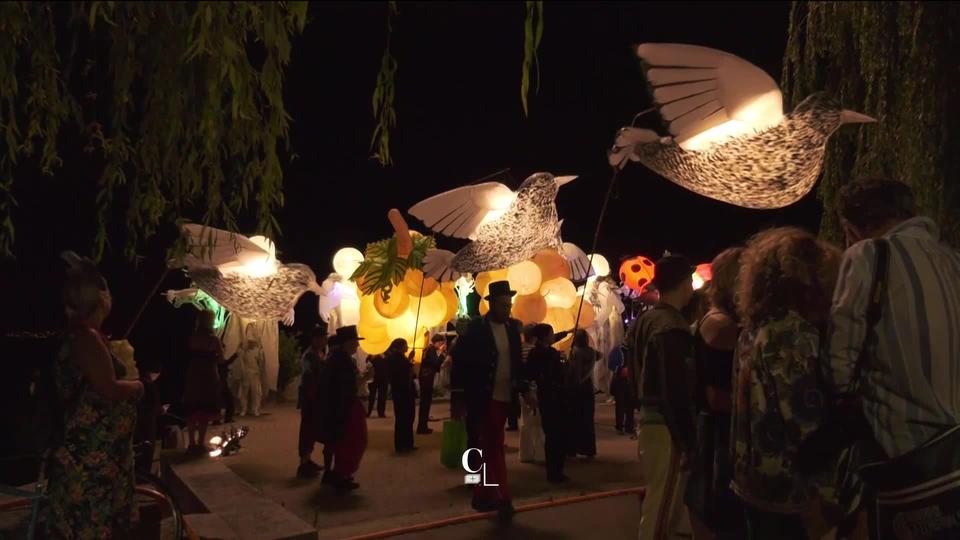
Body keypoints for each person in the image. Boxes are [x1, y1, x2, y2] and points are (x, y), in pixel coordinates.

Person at [829, 178, 960, 458]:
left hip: (904, 447)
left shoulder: (867, 254)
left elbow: (840, 363)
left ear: (851, 227)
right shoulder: (952, 259)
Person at [730, 228, 839, 539]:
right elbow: (805, 422)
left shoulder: (753, 329)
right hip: (790, 491)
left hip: (754, 480)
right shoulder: (792, 333)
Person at [44, 252, 145, 538]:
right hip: (89, 460)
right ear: (100, 299)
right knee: (88, 528)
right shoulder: (85, 338)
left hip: (101, 458)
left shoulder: (87, 336)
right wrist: (137, 387)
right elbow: (109, 388)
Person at [452, 281, 535, 521]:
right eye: (502, 305)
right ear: (491, 304)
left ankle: (485, 492)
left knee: (491, 446)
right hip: (480, 396)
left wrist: (524, 390)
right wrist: (458, 398)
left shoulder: (512, 329)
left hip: (502, 397)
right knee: (480, 445)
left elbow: (517, 364)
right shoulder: (477, 328)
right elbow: (461, 363)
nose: (507, 309)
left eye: (509, 305)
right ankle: (485, 489)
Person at [630, 254, 697, 540]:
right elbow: (674, 388)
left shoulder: (646, 319)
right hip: (664, 424)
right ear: (685, 284)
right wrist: (685, 435)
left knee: (658, 497)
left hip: (648, 417)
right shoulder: (671, 326)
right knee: (663, 506)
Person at [685, 247, 745, 539]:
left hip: (713, 429)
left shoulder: (715, 319)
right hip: (719, 433)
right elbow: (717, 395)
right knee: (721, 510)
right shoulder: (723, 325)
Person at [322, 325, 368, 493]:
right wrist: (366, 378)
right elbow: (347, 387)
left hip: (341, 407)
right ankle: (341, 475)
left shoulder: (338, 359)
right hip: (344, 408)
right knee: (352, 442)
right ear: (348, 343)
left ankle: (341, 474)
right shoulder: (342, 361)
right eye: (355, 342)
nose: (357, 345)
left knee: (344, 442)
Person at [525, 324, 569, 483]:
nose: (553, 336)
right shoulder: (550, 354)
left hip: (544, 397)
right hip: (554, 397)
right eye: (551, 334)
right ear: (545, 337)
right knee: (556, 436)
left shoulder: (534, 353)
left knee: (551, 435)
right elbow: (560, 375)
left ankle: (553, 470)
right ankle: (556, 470)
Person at [183, 310, 228, 456]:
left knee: (193, 407)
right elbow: (221, 360)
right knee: (204, 408)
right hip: (208, 375)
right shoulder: (213, 340)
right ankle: (200, 443)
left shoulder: (193, 337)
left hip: (194, 374)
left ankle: (191, 443)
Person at [297, 327, 329, 479]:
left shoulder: (319, 353)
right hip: (310, 397)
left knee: (312, 430)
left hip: (316, 397)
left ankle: (308, 459)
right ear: (315, 339)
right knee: (307, 430)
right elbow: (310, 377)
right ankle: (304, 462)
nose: (325, 341)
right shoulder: (310, 356)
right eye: (322, 338)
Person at [567, 330, 599, 458]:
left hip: (576, 389)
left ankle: (573, 448)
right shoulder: (590, 351)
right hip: (587, 389)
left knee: (574, 419)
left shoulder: (576, 352)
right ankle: (588, 449)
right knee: (587, 420)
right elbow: (599, 355)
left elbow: (576, 372)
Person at [518, 324, 545, 464]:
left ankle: (525, 453)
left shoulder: (518, 349)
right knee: (538, 423)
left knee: (525, 421)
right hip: (534, 388)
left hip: (523, 389)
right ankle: (540, 453)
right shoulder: (535, 351)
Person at [386, 338, 417, 453]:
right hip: (402, 391)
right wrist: (409, 360)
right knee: (403, 418)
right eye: (405, 345)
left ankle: (407, 443)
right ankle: (402, 444)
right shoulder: (395, 357)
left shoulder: (397, 357)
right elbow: (403, 371)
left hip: (404, 391)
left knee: (408, 418)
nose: (407, 347)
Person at [233, 324, 266, 417]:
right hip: (246, 371)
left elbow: (260, 360)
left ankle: (255, 409)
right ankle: (244, 409)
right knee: (243, 391)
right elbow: (240, 357)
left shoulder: (258, 347)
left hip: (255, 372)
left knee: (256, 392)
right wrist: (242, 369)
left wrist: (260, 369)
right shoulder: (243, 345)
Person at [417, 333, 446, 434]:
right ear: (437, 342)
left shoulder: (428, 349)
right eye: (441, 343)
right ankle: (422, 427)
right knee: (425, 403)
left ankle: (423, 426)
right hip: (427, 378)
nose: (441, 346)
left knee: (425, 403)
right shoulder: (431, 350)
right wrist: (442, 354)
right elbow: (435, 363)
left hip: (425, 378)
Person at [608, 343, 635, 437]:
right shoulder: (617, 350)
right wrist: (620, 370)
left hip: (631, 381)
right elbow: (610, 364)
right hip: (620, 381)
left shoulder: (635, 349)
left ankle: (629, 426)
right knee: (620, 405)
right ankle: (619, 426)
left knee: (630, 405)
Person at [366, 353, 389, 418]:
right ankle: (368, 411)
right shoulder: (371, 355)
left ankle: (381, 412)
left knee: (382, 396)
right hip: (373, 378)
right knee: (371, 396)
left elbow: (389, 364)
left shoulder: (386, 355)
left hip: (384, 378)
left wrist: (383, 357)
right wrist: (372, 357)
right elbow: (367, 364)